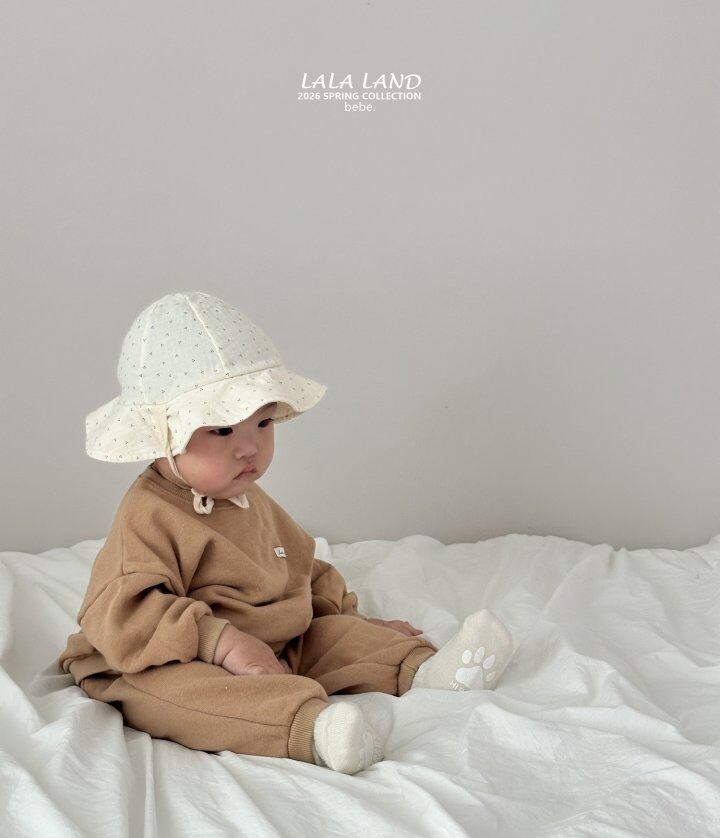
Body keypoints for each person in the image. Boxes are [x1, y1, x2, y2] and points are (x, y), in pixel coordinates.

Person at [58, 291, 515, 775]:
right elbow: (125, 615)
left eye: (263, 422)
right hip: (162, 657)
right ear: (163, 436)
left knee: (330, 637)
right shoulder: (149, 516)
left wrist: (356, 624)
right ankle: (312, 729)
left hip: (275, 643)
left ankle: (427, 670)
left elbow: (301, 568)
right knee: (186, 697)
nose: (249, 448)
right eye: (221, 430)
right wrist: (223, 644)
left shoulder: (246, 497)